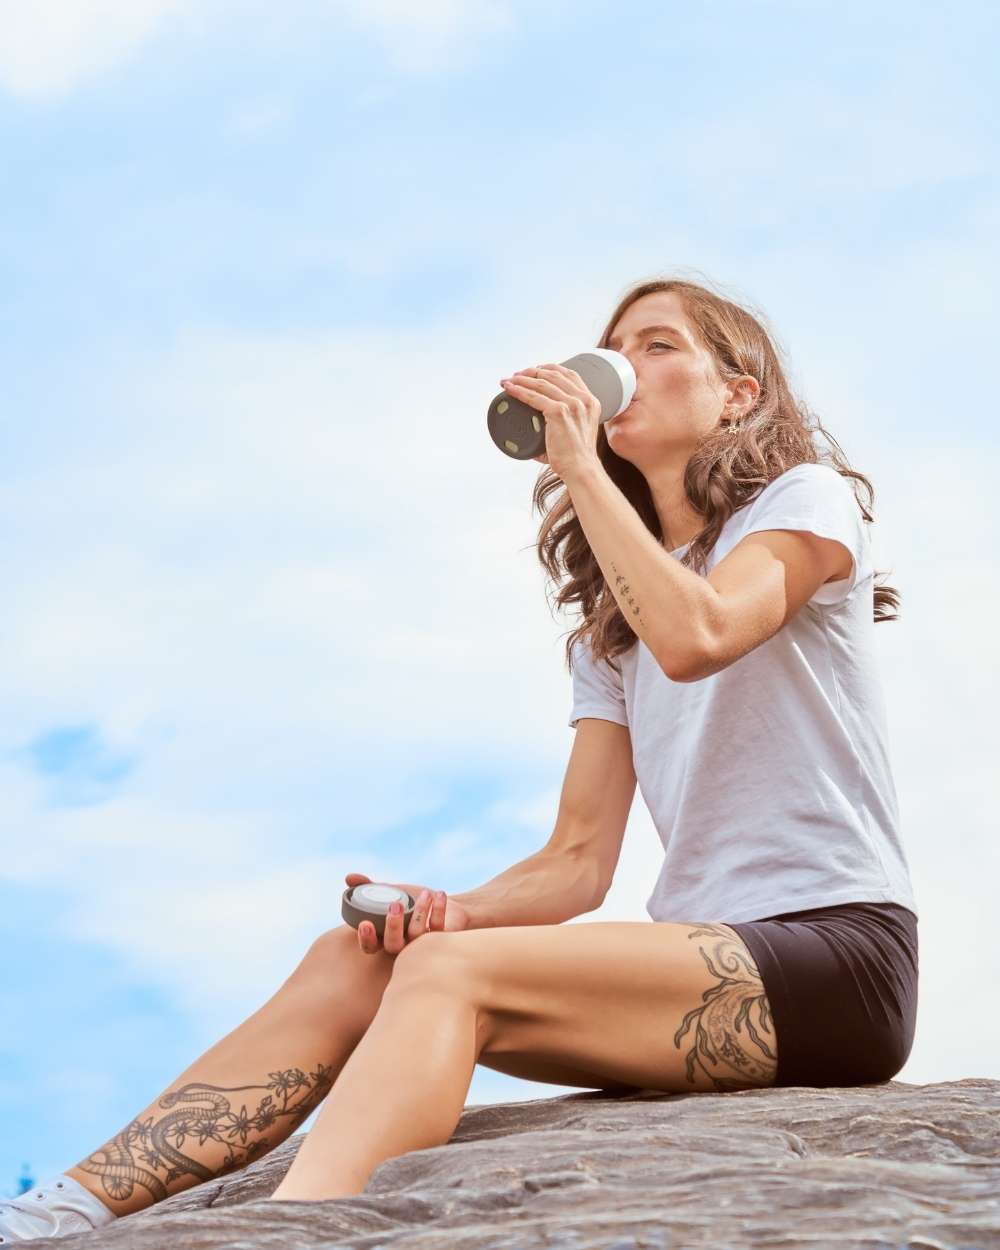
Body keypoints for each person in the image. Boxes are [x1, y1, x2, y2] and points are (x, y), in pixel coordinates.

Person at [0, 276, 918, 1240]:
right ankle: (58, 1212)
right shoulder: (611, 637)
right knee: (363, 958)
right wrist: (449, 912)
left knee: (448, 975)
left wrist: (580, 467)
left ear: (737, 394)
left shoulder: (802, 503)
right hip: (696, 970)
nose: (623, 366)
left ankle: (291, 1230)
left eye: (658, 346)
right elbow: (577, 862)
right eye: (614, 349)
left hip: (836, 958)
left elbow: (703, 635)